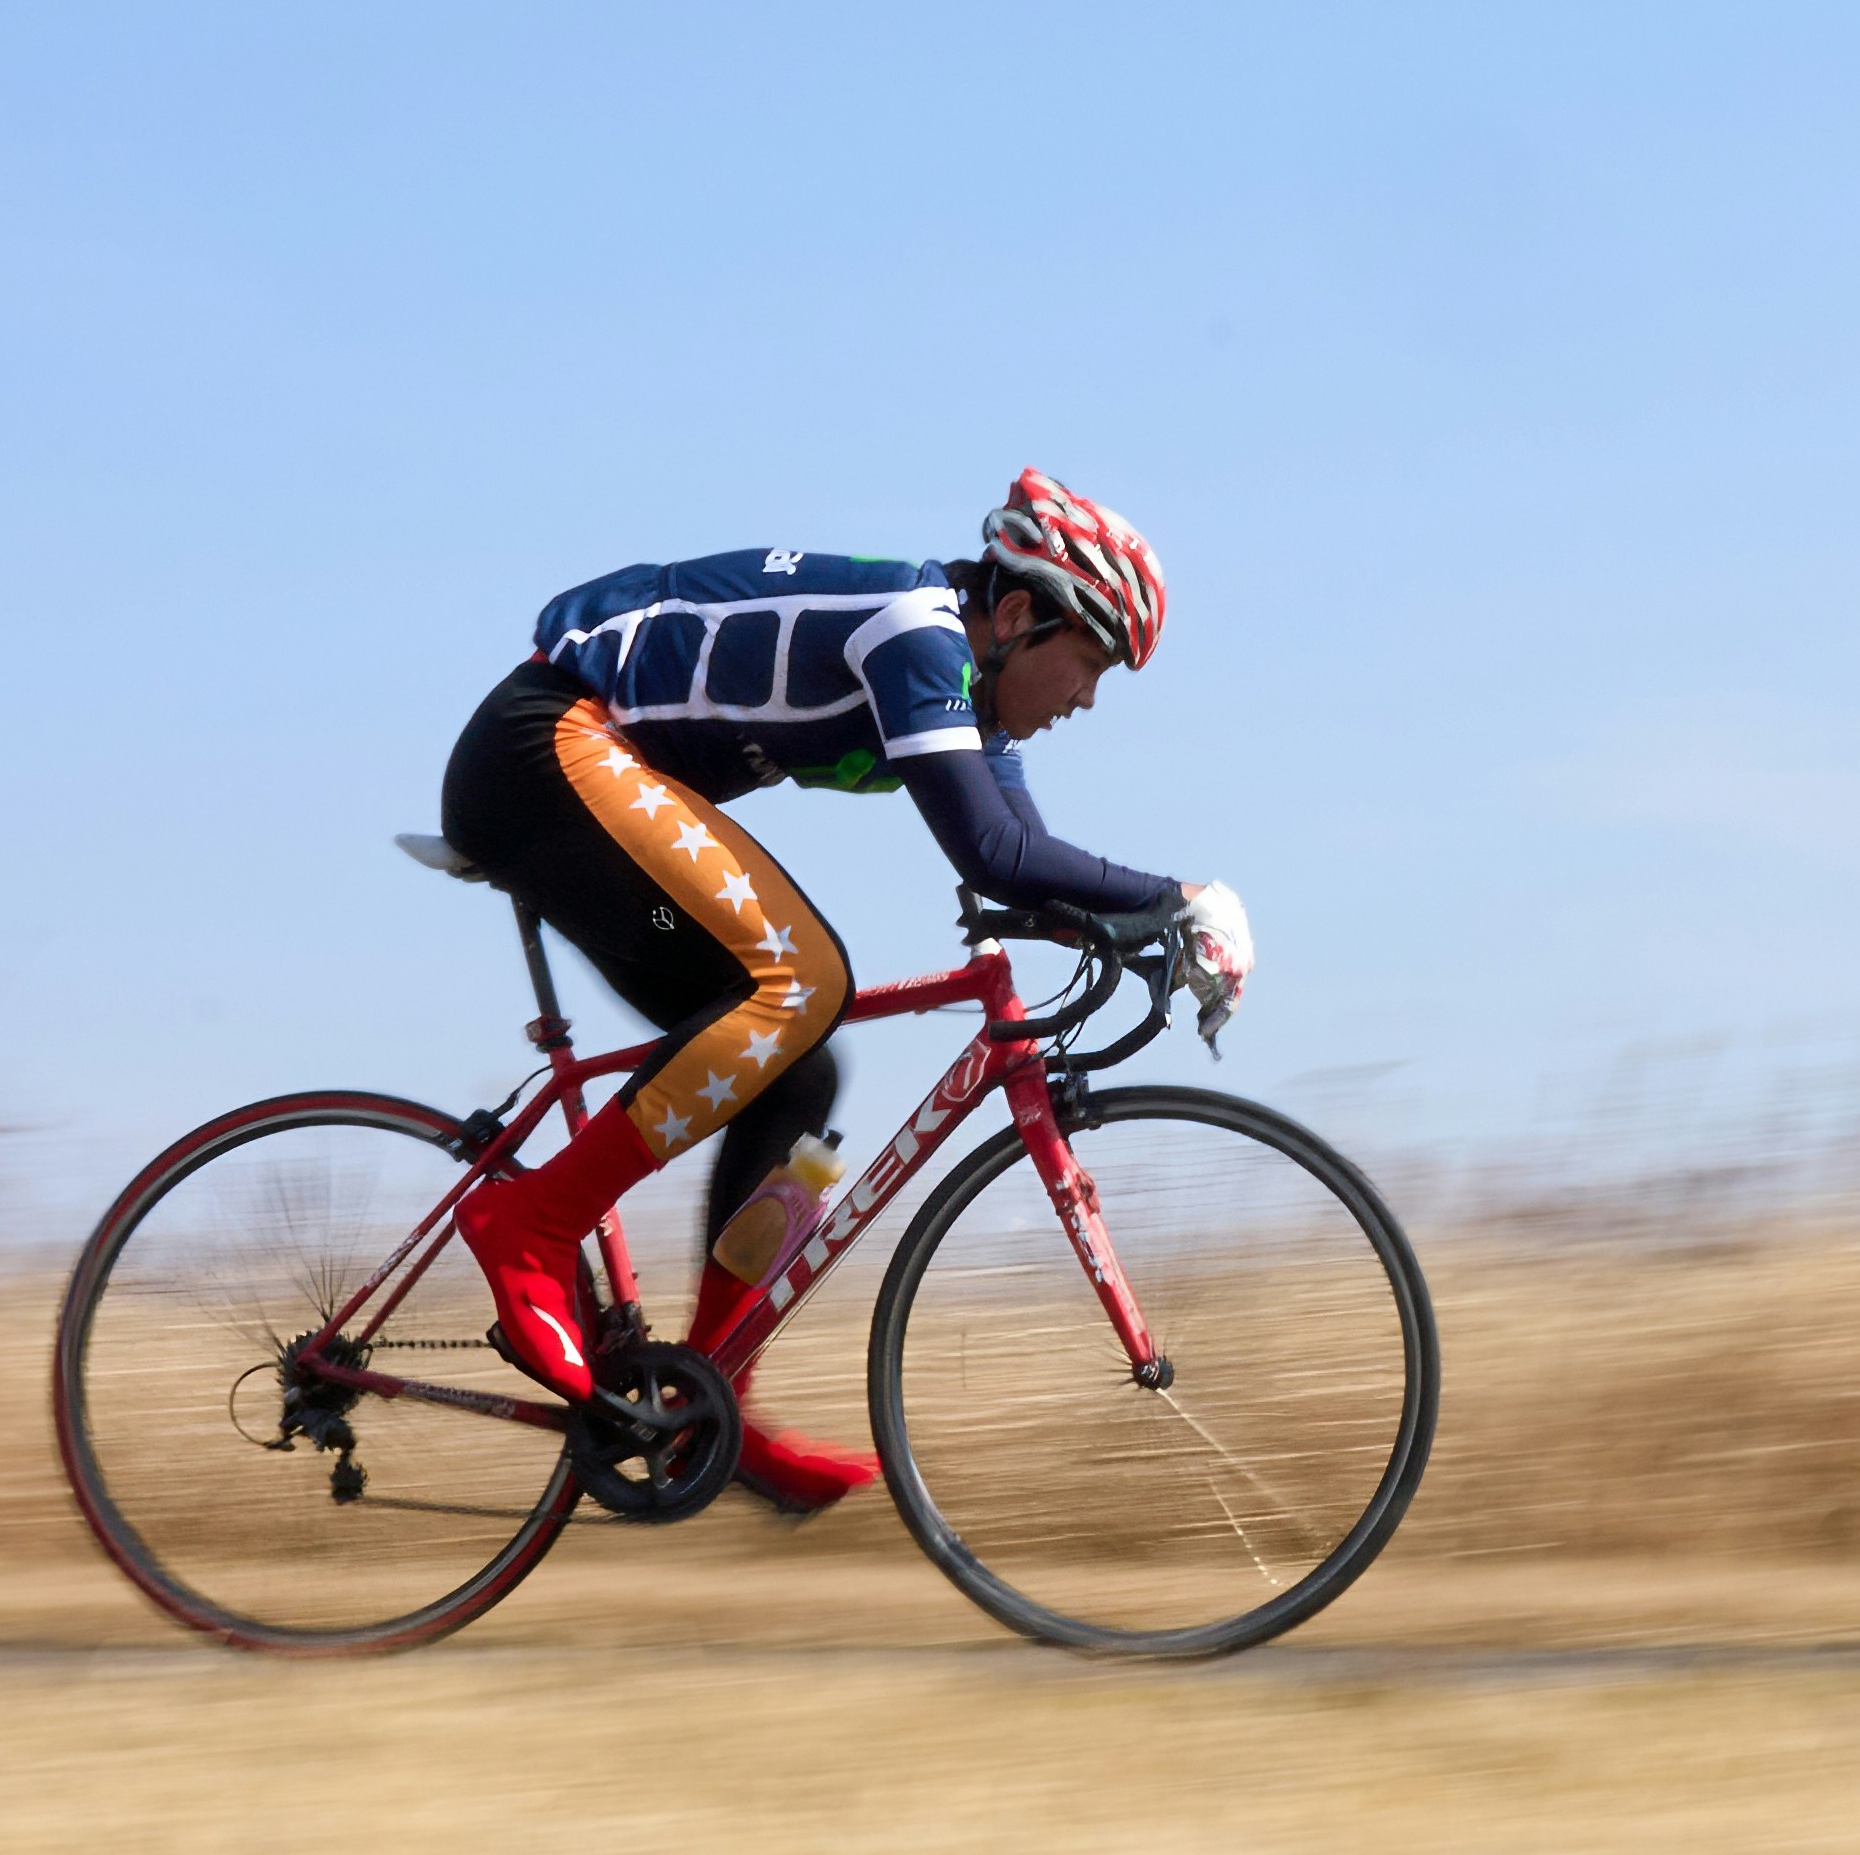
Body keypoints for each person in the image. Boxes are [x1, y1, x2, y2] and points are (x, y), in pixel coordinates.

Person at [437, 470, 1254, 1514]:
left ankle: (713, 1406)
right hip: (541, 761)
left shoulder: (968, 703)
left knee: (797, 1067)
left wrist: (1141, 934)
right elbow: (998, 853)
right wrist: (1180, 900)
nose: (1086, 699)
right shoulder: (913, 635)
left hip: (592, 838)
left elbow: (1026, 860)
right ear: (1013, 616)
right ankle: (533, 1225)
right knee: (804, 978)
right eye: (1086, 664)